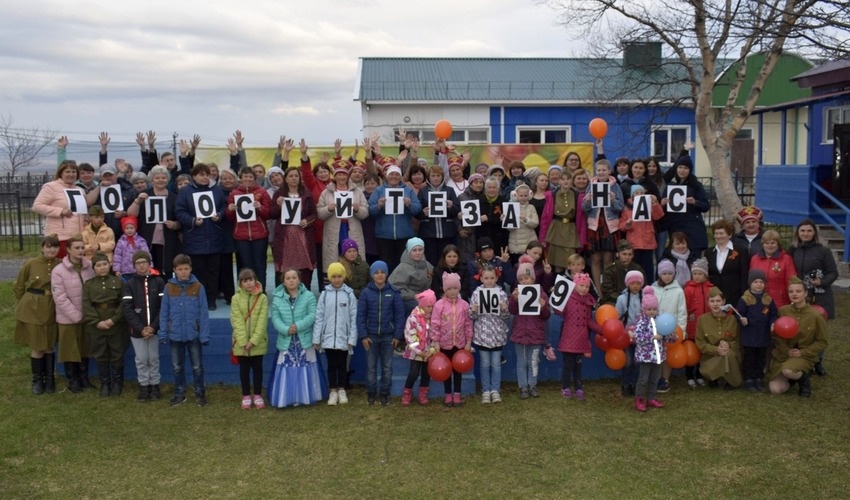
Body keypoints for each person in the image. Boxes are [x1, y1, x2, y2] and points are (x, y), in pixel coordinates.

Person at [159, 254, 210, 407]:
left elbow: (203, 313)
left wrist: (204, 335)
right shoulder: (168, 288)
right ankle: (179, 393)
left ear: (191, 269)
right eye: (180, 269)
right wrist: (163, 332)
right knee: (177, 367)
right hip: (175, 335)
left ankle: (200, 393)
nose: (183, 272)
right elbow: (164, 312)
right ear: (174, 270)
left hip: (193, 334)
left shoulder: (198, 287)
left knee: (197, 367)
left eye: (186, 269)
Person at [174, 163, 227, 310]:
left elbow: (224, 205)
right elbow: (179, 211)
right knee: (198, 271)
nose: (205, 177)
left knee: (213, 271)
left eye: (207, 174)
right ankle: (198, 298)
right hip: (194, 238)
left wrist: (220, 215)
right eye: (201, 174)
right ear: (194, 176)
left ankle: (211, 300)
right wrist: (192, 221)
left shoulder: (216, 190)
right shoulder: (185, 192)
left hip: (214, 237)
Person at [14, 234, 61, 395]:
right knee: (37, 345)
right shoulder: (31, 263)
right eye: (48, 246)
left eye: (55, 246)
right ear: (42, 247)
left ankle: (50, 380)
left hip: (51, 306)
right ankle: (37, 380)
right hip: (32, 307)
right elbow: (19, 285)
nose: (52, 249)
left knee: (48, 345)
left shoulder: (60, 264)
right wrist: (23, 302)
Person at [268, 268, 322, 408]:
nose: (291, 280)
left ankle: (305, 396)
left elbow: (312, 315)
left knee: (304, 366)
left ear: (299, 280)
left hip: (303, 339)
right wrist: (286, 329)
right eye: (288, 278)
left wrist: (297, 326)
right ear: (283, 281)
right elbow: (275, 318)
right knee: (288, 367)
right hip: (287, 340)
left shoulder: (309, 296)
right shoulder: (277, 298)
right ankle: (287, 397)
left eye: (294, 277)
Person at [788, 220, 836, 377]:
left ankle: (818, 362)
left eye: (809, 231)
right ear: (798, 233)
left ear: (814, 232)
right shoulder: (794, 250)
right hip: (801, 296)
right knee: (801, 329)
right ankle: (802, 358)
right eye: (802, 231)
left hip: (821, 295)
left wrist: (821, 282)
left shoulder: (823, 251)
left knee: (818, 329)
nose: (806, 234)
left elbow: (832, 272)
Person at [767, 277, 828, 397]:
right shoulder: (783, 311)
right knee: (776, 389)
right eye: (791, 292)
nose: (794, 294)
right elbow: (776, 336)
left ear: (805, 293)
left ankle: (803, 380)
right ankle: (792, 378)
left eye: (798, 291)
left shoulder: (815, 315)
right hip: (783, 355)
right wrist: (786, 350)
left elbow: (822, 342)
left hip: (804, 356)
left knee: (788, 371)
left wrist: (803, 352)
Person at [51, 235, 96, 392]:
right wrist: (76, 316)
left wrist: (89, 314)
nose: (80, 250)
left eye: (82, 247)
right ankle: (73, 380)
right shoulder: (58, 271)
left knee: (84, 348)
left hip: (87, 317)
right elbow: (60, 297)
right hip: (68, 318)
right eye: (77, 248)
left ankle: (84, 378)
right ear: (68, 250)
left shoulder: (89, 267)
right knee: (70, 349)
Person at [358, 261, 405, 406]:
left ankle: (385, 393)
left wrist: (397, 335)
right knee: (371, 368)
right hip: (370, 336)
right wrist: (363, 335)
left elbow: (399, 315)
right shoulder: (365, 293)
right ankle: (371, 393)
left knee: (387, 367)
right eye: (376, 272)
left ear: (386, 274)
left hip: (388, 337)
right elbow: (360, 315)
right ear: (372, 275)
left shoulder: (394, 292)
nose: (379, 275)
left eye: (382, 272)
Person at [122, 250, 166, 402]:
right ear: (134, 266)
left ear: (149, 264)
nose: (141, 265)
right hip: (137, 331)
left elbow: (163, 307)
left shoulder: (159, 282)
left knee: (153, 358)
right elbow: (127, 309)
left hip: (155, 329)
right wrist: (141, 328)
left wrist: (153, 326)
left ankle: (154, 385)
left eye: (144, 262)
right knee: (141, 359)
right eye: (138, 263)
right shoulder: (129, 284)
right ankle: (143, 385)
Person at [313, 262, 358, 406]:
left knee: (342, 365)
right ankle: (332, 391)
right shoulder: (324, 295)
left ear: (344, 277)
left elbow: (353, 318)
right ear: (329, 278)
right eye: (334, 277)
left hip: (343, 338)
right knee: (331, 365)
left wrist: (352, 338)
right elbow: (319, 317)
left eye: (339, 276)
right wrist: (317, 338)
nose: (337, 279)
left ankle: (342, 389)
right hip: (328, 338)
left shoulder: (349, 295)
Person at [82, 253, 127, 397]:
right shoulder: (89, 285)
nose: (102, 268)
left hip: (116, 324)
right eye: (98, 265)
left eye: (105, 264)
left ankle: (117, 384)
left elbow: (124, 302)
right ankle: (105, 384)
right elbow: (86, 305)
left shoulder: (118, 282)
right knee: (100, 355)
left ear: (110, 265)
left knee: (116, 354)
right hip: (96, 326)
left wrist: (113, 320)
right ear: (94, 268)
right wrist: (97, 322)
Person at [127, 166, 182, 278]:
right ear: (151, 179)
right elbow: (131, 214)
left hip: (167, 241)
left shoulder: (174, 197)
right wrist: (138, 201)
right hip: (146, 239)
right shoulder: (144, 194)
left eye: (163, 177)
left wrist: (174, 225)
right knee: (149, 270)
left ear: (168, 179)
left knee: (165, 270)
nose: (161, 180)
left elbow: (180, 221)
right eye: (157, 178)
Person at [316, 164, 369, 278]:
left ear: (348, 176)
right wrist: (328, 209)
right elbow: (319, 213)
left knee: (352, 255)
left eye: (344, 174)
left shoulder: (357, 192)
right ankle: (334, 285)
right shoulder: (326, 192)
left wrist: (357, 209)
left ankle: (354, 283)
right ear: (334, 176)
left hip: (352, 229)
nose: (341, 177)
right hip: (333, 230)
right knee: (334, 257)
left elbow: (365, 212)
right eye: (339, 174)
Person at [508, 259, 551, 399]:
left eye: (527, 278)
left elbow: (546, 316)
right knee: (521, 361)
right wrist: (514, 299)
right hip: (520, 332)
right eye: (521, 279)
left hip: (536, 333)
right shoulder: (517, 293)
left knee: (533, 361)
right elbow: (512, 311)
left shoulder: (541, 293)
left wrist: (543, 306)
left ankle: (532, 385)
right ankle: (523, 386)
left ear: (533, 278)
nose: (524, 281)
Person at [368, 164, 422, 272]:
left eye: (397, 174)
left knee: (404, 265)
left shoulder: (408, 190)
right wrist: (379, 206)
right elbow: (371, 210)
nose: (394, 177)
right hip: (384, 236)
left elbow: (418, 209)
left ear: (400, 176)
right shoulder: (379, 190)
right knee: (386, 265)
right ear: (387, 176)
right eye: (391, 174)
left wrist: (409, 204)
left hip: (404, 235)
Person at [582, 158, 625, 293]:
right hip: (595, 225)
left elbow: (620, 207)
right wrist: (588, 201)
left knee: (608, 259)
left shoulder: (615, 186)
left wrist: (612, 199)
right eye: (599, 170)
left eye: (603, 170)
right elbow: (584, 208)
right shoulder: (591, 185)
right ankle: (598, 291)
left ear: (609, 171)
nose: (601, 173)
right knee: (595, 259)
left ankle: (607, 289)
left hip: (609, 225)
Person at [469, 265, 510, 404]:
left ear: (496, 278)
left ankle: (495, 390)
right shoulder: (476, 293)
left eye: (492, 278)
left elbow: (506, 316)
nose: (489, 280)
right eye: (486, 278)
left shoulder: (501, 293)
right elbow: (471, 315)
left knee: (496, 364)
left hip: (497, 334)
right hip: (482, 334)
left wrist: (504, 309)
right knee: (485, 364)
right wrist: (473, 310)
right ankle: (486, 390)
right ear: (481, 278)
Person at [227, 168, 272, 292]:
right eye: (245, 176)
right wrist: (230, 210)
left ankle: (261, 292)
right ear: (241, 178)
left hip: (260, 235)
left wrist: (260, 208)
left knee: (260, 266)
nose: (247, 179)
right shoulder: (234, 193)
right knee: (246, 266)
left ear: (254, 178)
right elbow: (230, 218)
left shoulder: (262, 192)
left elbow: (269, 213)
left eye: (250, 177)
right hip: (241, 236)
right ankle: (247, 292)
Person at [556, 273, 601, 401]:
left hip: (581, 338)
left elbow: (588, 321)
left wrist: (601, 330)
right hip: (568, 337)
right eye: (581, 285)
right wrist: (557, 296)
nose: (584, 289)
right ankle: (565, 387)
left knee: (578, 365)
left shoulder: (587, 302)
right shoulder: (567, 298)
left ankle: (578, 387)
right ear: (575, 285)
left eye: (586, 286)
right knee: (568, 365)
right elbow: (558, 311)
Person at [431, 273, 473, 407]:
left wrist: (468, 341)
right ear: (445, 290)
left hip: (459, 344)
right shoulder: (439, 305)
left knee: (458, 371)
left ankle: (457, 394)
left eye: (455, 288)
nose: (452, 291)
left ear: (459, 288)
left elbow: (468, 324)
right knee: (446, 370)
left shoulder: (465, 305)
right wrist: (435, 341)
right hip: (444, 344)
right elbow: (435, 324)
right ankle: (448, 395)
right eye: (449, 289)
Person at [270, 167, 317, 287]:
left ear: (300, 178)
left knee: (305, 265)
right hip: (285, 237)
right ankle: (284, 293)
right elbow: (272, 214)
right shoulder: (279, 194)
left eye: (296, 176)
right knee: (284, 266)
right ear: (285, 179)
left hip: (303, 236)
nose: (294, 178)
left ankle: (304, 291)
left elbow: (314, 214)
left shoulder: (306, 193)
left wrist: (307, 221)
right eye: (290, 176)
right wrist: (278, 206)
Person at [632, 286, 677, 411]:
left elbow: (666, 337)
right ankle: (639, 398)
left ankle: (651, 398)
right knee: (643, 379)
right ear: (644, 309)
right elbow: (638, 338)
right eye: (649, 309)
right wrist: (653, 337)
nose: (652, 311)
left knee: (654, 378)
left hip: (658, 356)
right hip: (645, 357)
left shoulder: (661, 320)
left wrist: (672, 336)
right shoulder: (641, 321)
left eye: (654, 309)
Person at [231, 268, 269, 409]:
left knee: (258, 369)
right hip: (241, 344)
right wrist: (242, 342)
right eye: (245, 281)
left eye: (250, 280)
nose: (248, 283)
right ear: (240, 283)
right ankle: (246, 395)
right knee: (244, 369)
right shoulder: (235, 298)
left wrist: (253, 341)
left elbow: (262, 321)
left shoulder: (262, 298)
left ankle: (258, 394)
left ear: (255, 280)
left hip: (258, 342)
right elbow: (237, 320)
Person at [32, 161, 87, 257]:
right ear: (61, 173)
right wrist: (60, 211)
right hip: (60, 237)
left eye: (73, 172)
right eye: (67, 172)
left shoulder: (80, 190)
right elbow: (37, 206)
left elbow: (81, 211)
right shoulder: (51, 187)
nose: (71, 174)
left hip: (78, 238)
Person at [660, 151, 710, 256]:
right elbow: (662, 209)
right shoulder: (670, 186)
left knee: (693, 258)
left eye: (685, 168)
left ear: (690, 170)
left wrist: (695, 202)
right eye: (680, 167)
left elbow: (706, 206)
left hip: (693, 227)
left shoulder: (696, 185)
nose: (682, 171)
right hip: (675, 226)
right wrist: (662, 203)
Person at [736, 269, 778, 393]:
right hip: (749, 335)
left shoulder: (768, 299)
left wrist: (772, 323)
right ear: (750, 283)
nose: (759, 284)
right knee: (749, 357)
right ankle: (748, 378)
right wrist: (741, 319)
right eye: (756, 282)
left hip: (763, 335)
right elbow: (739, 313)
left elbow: (774, 314)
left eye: (761, 282)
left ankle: (759, 378)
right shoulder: (744, 299)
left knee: (761, 357)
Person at [695, 287, 742, 389]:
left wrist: (728, 345)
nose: (715, 304)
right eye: (712, 301)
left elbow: (738, 341)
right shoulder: (702, 320)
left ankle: (729, 380)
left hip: (731, 355)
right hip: (711, 357)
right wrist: (716, 350)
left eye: (718, 301)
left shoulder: (732, 319)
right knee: (707, 369)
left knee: (728, 354)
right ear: (708, 303)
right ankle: (717, 377)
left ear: (724, 302)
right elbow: (700, 343)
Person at [651, 259, 687, 393]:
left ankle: (664, 379)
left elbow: (682, 312)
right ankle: (655, 378)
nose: (667, 276)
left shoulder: (678, 291)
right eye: (664, 273)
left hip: (672, 328)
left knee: (668, 354)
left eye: (670, 273)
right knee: (657, 354)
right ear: (659, 274)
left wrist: (681, 330)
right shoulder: (653, 289)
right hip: (656, 327)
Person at [417, 166, 460, 266]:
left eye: (438, 175)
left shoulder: (450, 190)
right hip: (429, 234)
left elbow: (457, 210)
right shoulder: (423, 191)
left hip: (447, 234)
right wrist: (423, 212)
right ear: (429, 177)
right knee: (431, 262)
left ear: (442, 177)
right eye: (433, 175)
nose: (436, 178)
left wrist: (451, 206)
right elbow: (416, 213)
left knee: (446, 262)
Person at [619, 184, 664, 280]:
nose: (639, 195)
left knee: (648, 268)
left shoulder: (649, 205)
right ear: (632, 196)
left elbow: (658, 216)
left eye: (641, 193)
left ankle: (649, 287)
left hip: (647, 242)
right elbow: (621, 226)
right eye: (636, 193)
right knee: (634, 267)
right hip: (633, 243)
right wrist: (627, 224)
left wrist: (655, 203)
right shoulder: (627, 208)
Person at [401, 290, 437, 406]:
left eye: (432, 306)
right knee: (414, 373)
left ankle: (423, 394)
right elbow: (410, 336)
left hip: (428, 353)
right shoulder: (413, 318)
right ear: (422, 305)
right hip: (415, 353)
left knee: (427, 373)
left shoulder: (433, 318)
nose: (431, 309)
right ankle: (407, 392)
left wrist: (431, 350)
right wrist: (419, 351)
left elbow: (435, 335)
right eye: (428, 306)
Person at [704, 219, 749, 308]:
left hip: (734, 296)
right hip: (716, 297)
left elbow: (744, 275)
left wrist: (743, 297)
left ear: (730, 234)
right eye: (716, 233)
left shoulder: (740, 251)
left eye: (721, 233)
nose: (718, 236)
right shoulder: (709, 252)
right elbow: (708, 275)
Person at [540, 169, 578, 272]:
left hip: (570, 229)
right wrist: (542, 237)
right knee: (557, 261)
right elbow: (545, 217)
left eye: (568, 179)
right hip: (556, 228)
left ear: (571, 181)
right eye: (563, 179)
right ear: (559, 181)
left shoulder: (577, 195)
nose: (565, 181)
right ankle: (558, 285)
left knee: (571, 260)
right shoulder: (552, 195)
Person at [748, 230, 797, 308]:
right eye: (767, 243)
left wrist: (793, 299)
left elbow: (791, 280)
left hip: (780, 301)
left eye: (773, 243)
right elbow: (751, 281)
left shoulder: (786, 259)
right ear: (762, 245)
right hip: (759, 300)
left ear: (778, 244)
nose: (770, 246)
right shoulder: (754, 259)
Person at [683, 257, 712, 387]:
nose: (697, 276)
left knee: (702, 350)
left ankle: (700, 374)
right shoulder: (688, 289)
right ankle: (689, 375)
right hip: (692, 324)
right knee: (691, 349)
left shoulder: (711, 288)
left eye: (700, 274)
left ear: (705, 274)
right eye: (695, 274)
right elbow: (686, 308)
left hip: (706, 325)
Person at [615, 270, 645, 397]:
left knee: (637, 361)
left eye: (638, 283)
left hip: (641, 335)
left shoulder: (645, 298)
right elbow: (617, 316)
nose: (635, 286)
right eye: (632, 283)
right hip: (626, 335)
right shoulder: (622, 298)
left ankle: (635, 385)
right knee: (627, 361)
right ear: (627, 284)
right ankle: (625, 384)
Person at [389, 237, 434, 317]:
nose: (417, 253)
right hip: (408, 299)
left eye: (420, 250)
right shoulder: (402, 267)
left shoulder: (427, 265)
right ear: (409, 251)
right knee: (418, 308)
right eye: (414, 250)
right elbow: (395, 286)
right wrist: (413, 295)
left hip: (426, 298)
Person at [600, 241, 645, 305]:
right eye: (624, 254)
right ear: (618, 254)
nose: (627, 257)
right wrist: (624, 299)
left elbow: (643, 286)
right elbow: (608, 292)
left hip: (636, 299)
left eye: (630, 254)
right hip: (614, 301)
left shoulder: (638, 269)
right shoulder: (610, 270)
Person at [505, 183, 539, 265]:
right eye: (521, 196)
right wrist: (505, 220)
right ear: (515, 196)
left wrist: (526, 219)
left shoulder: (531, 207)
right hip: (515, 245)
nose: (523, 198)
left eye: (525, 195)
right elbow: (510, 228)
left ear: (529, 195)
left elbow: (535, 223)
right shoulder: (511, 207)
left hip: (529, 244)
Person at [456, 173, 485, 264]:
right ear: (470, 184)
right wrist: (459, 229)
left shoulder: (485, 197)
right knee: (467, 259)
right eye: (476, 182)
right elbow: (455, 215)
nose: (479, 184)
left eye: (481, 182)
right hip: (467, 233)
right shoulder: (462, 197)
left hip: (481, 232)